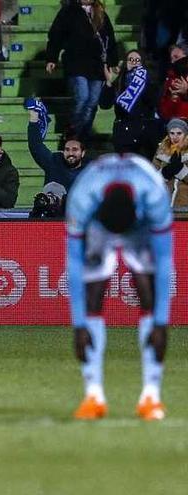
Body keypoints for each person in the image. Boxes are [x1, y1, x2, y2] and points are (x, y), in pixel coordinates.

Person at [66, 153, 173, 421]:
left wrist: (161, 322)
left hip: (141, 227)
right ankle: (93, 396)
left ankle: (151, 397)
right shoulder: (82, 199)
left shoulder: (154, 196)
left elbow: (164, 262)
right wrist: (79, 324)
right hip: (98, 227)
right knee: (93, 295)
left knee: (148, 291)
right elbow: (74, 264)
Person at [45, 0, 117, 140]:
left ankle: (83, 135)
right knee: (82, 97)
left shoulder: (101, 13)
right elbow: (56, 35)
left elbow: (110, 39)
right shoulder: (68, 12)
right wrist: (51, 58)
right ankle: (73, 132)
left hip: (96, 66)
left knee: (93, 101)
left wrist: (112, 61)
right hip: (76, 63)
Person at [99, 49, 163, 157]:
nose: (134, 62)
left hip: (144, 133)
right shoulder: (119, 80)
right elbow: (104, 104)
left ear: (142, 63)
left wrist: (143, 83)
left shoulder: (150, 81)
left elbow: (153, 102)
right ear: (125, 62)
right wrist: (110, 82)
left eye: (137, 60)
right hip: (123, 133)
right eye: (130, 59)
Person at [27, 102, 88, 191]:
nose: (70, 153)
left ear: (83, 153)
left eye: (75, 150)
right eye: (67, 149)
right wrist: (34, 117)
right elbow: (35, 145)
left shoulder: (89, 172)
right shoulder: (54, 162)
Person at [152, 118, 188, 208]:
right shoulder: (161, 151)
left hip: (185, 209)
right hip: (164, 208)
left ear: (186, 134)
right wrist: (165, 173)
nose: (175, 137)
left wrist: (181, 170)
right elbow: (151, 181)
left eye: (179, 133)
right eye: (172, 133)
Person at [158, 43, 188, 121]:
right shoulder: (170, 79)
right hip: (174, 127)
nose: (172, 61)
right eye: (171, 58)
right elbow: (164, 112)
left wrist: (186, 93)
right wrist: (172, 100)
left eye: (176, 57)